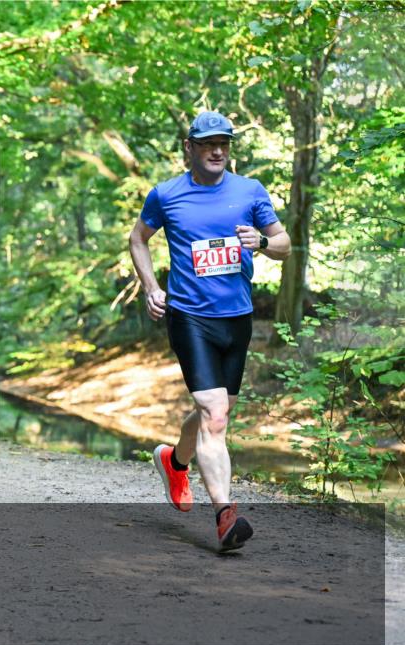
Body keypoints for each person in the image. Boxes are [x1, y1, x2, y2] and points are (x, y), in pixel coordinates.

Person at [128, 111, 292, 552]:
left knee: (216, 413)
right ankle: (225, 516)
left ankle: (174, 461)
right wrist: (151, 287)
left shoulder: (249, 191)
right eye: (208, 144)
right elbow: (138, 239)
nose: (217, 151)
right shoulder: (166, 194)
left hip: (237, 318)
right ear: (190, 147)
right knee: (214, 415)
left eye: (224, 144)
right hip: (189, 316)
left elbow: (284, 245)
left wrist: (262, 242)